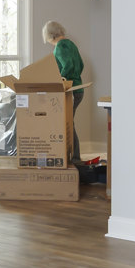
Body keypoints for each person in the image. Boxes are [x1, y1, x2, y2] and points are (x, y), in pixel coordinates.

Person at [43, 21, 86, 169]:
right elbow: (80, 64)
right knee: (68, 123)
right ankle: (72, 156)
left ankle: (75, 157)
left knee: (67, 124)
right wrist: (74, 78)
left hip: (70, 91)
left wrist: (61, 80)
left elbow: (68, 65)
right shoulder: (71, 44)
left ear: (49, 35)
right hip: (78, 89)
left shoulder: (60, 46)